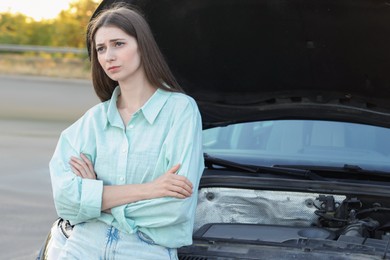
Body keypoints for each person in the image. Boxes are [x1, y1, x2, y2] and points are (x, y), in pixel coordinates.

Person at [48, 3, 204, 259]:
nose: (108, 56)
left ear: (142, 45)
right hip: (82, 244)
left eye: (118, 44)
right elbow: (65, 201)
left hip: (145, 248)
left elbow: (175, 208)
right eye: (101, 48)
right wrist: (150, 189)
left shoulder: (180, 111)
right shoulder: (93, 121)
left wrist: (94, 199)